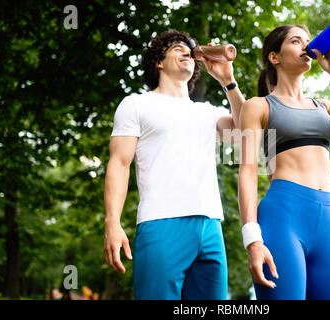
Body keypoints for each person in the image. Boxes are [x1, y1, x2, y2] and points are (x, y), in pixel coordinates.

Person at [104, 30, 245, 300]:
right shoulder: (136, 104)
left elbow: (245, 132)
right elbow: (119, 164)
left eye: (190, 50)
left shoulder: (208, 111)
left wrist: (228, 81)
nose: (187, 53)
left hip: (210, 225)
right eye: (179, 48)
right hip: (161, 223)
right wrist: (112, 221)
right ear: (159, 61)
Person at [238, 24, 330, 300]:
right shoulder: (258, 106)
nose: (305, 47)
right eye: (296, 41)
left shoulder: (324, 106)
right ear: (275, 57)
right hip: (284, 216)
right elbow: (249, 172)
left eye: (307, 42)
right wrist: (252, 239)